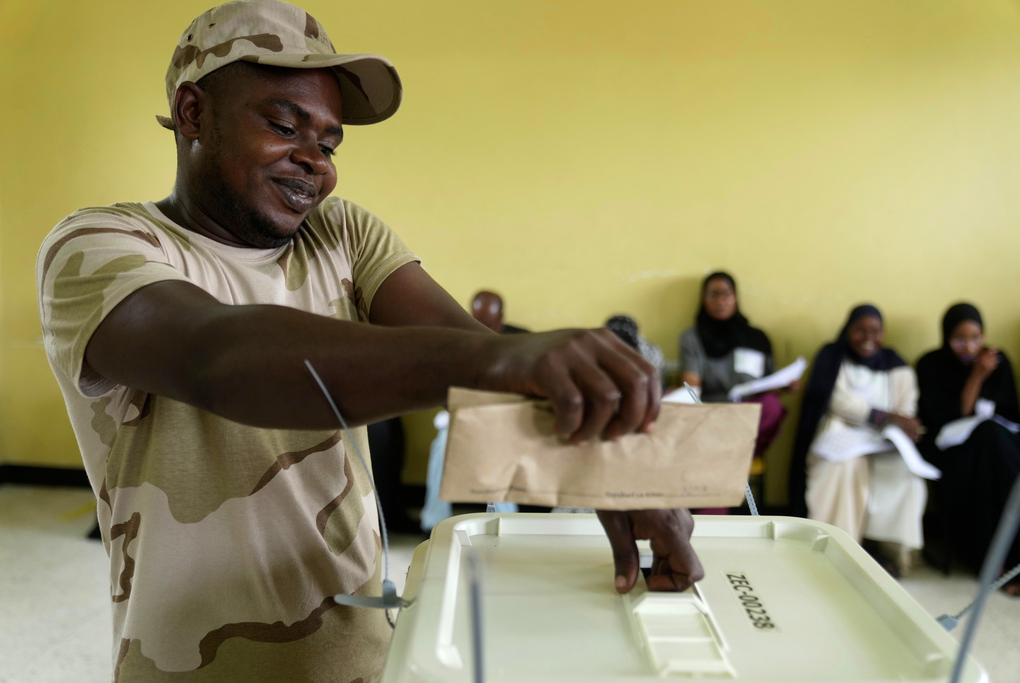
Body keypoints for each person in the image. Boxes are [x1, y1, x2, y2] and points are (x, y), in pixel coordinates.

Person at [35, 2, 702, 680]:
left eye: (328, 144)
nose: (313, 161)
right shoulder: (101, 247)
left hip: (369, 659)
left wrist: (614, 477)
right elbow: (219, 355)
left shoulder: (343, 235)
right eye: (282, 123)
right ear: (193, 113)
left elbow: (476, 367)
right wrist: (501, 354)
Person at [789, 305, 925, 576]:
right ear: (847, 330)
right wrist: (883, 415)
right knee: (842, 467)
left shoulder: (896, 365)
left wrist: (900, 422)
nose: (867, 337)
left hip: (882, 438)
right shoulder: (832, 355)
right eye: (860, 330)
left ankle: (890, 554)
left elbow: (906, 407)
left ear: (883, 333)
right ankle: (839, 548)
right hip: (841, 429)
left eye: (875, 331)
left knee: (907, 476)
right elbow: (836, 399)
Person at [916, 303, 1020, 594]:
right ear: (946, 337)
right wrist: (976, 376)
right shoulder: (931, 365)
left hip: (997, 449)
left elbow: (1010, 416)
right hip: (953, 451)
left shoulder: (999, 361)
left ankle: (1011, 560)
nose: (970, 347)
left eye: (976, 338)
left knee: (997, 447)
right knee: (989, 447)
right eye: (959, 339)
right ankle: (993, 560)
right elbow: (950, 418)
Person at [678, 272, 793, 512]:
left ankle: (726, 456)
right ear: (703, 299)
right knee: (720, 453)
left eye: (726, 294)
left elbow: (768, 384)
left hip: (749, 422)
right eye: (713, 294)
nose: (720, 300)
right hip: (712, 418)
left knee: (772, 405)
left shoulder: (757, 338)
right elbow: (691, 386)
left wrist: (783, 387)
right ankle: (713, 524)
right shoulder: (693, 337)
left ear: (736, 297)